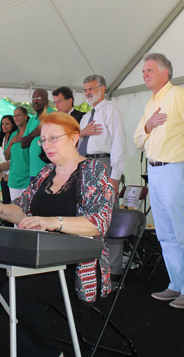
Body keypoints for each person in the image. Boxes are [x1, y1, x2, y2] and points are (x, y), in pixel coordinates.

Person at [0, 111, 114, 357]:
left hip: (77, 264)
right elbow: (21, 208)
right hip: (39, 256)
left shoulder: (93, 172)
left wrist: (52, 222)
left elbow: (97, 223)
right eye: (43, 140)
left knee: (20, 292)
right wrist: (0, 208)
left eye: (53, 138)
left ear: (74, 138)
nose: (47, 145)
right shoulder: (47, 172)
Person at [133, 53, 184, 309]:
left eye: (149, 70)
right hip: (155, 172)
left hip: (176, 169)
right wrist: (149, 126)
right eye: (143, 71)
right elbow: (137, 140)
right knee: (165, 233)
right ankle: (176, 284)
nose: (144, 75)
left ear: (165, 72)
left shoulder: (180, 95)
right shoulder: (150, 103)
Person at [79, 75, 127, 281]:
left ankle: (113, 269)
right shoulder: (85, 116)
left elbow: (119, 144)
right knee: (88, 217)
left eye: (91, 88)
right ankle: (91, 264)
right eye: (85, 90)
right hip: (85, 166)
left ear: (103, 88)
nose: (88, 93)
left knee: (109, 216)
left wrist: (115, 177)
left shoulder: (110, 110)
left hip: (103, 164)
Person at [20, 89, 55, 179]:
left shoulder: (54, 115)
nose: (35, 101)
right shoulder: (32, 120)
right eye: (33, 98)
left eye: (39, 98)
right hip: (33, 171)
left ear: (46, 101)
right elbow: (23, 144)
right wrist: (34, 133)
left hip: (51, 170)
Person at [4, 107, 31, 201]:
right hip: (13, 180)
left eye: (18, 115)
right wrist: (11, 142)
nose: (16, 118)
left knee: (28, 212)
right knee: (15, 211)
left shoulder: (31, 134)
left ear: (26, 116)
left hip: (28, 179)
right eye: (14, 116)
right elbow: (6, 157)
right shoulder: (13, 135)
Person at [0, 115, 18, 205]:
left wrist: (5, 165)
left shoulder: (16, 137)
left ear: (13, 124)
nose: (4, 126)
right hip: (3, 176)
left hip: (13, 174)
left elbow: (17, 157)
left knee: (13, 203)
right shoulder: (2, 139)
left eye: (7, 123)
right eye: (2, 124)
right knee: (5, 202)